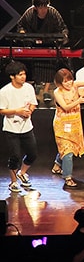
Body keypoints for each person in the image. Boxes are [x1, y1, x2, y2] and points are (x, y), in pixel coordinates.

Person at [0, 61, 38, 193]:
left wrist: (29, 111)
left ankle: (22, 173)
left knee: (32, 154)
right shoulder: (4, 91)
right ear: (12, 76)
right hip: (11, 129)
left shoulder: (29, 88)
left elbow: (33, 103)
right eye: (20, 75)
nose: (23, 77)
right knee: (15, 156)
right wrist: (17, 111)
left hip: (27, 127)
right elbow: (2, 110)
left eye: (24, 74)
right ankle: (13, 181)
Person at [51, 68, 84, 189]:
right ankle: (67, 177)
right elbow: (65, 107)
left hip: (75, 124)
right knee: (68, 152)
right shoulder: (57, 92)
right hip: (62, 125)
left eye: (70, 80)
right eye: (65, 81)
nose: (69, 83)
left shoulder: (75, 85)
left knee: (68, 147)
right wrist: (79, 101)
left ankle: (57, 165)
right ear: (60, 82)